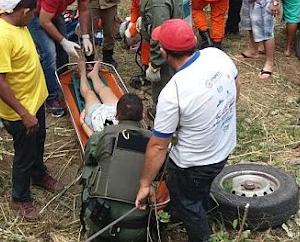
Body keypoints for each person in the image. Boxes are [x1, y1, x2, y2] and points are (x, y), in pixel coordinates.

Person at [135, 19, 240, 242]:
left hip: (194, 165)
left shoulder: (173, 92)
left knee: (189, 204)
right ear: (193, 40)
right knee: (199, 191)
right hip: (224, 147)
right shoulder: (216, 55)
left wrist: (145, 184)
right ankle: (198, 200)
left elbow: (158, 145)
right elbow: (235, 87)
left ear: (163, 52)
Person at [0, 0, 65, 221]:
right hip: (21, 111)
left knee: (38, 142)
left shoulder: (17, 23)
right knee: (24, 154)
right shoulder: (0, 38)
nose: (34, 17)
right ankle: (20, 198)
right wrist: (24, 113)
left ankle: (38, 173)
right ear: (22, 12)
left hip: (35, 100)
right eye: (32, 13)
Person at [116, 0, 183, 107]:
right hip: (176, 29)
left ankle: (164, 120)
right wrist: (145, 21)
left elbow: (160, 36)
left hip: (168, 50)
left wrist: (154, 65)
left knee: (164, 91)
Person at [81, 93, 151, 241]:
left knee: (89, 168)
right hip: (136, 227)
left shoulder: (103, 135)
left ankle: (91, 231)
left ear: (116, 115)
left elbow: (89, 158)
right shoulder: (154, 143)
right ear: (142, 117)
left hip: (99, 219)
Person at [28, 0, 94, 118]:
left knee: (62, 52)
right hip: (37, 15)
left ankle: (62, 83)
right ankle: (51, 99)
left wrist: (85, 37)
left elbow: (84, 9)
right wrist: (63, 41)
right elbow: (44, 21)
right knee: (49, 53)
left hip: (54, 10)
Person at [77, 59, 119, 137]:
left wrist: (82, 123)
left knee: (89, 94)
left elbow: (93, 138)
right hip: (116, 112)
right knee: (105, 89)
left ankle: (82, 73)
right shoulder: (137, 129)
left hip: (97, 120)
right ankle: (93, 75)